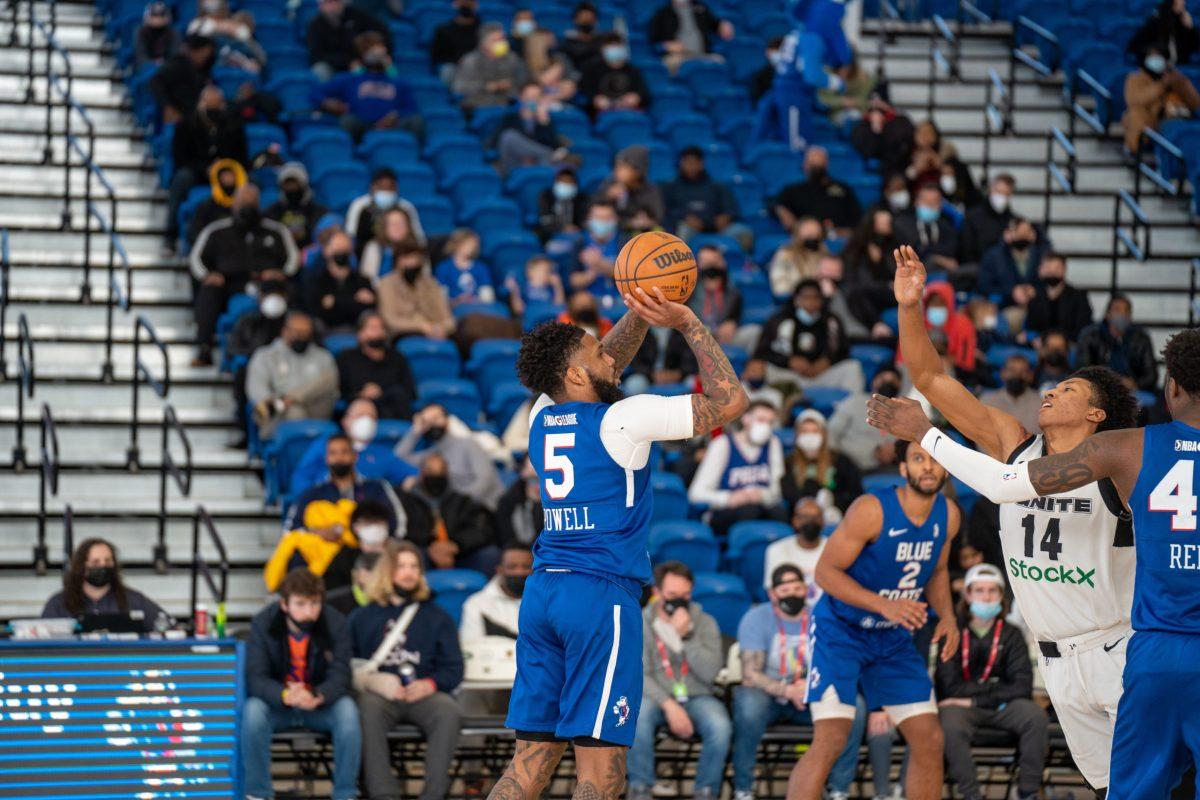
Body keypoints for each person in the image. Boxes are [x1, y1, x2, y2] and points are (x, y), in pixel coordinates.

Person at [868, 326, 1200, 799]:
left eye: (1068, 389)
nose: (1051, 390)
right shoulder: (1015, 446)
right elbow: (928, 376)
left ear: (1096, 413)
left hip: (1119, 646)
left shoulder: (1118, 459)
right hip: (1055, 658)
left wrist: (928, 434)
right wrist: (908, 304)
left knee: (1152, 784)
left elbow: (1001, 484)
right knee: (1110, 786)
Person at [489, 288, 747, 797]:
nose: (612, 354)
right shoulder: (623, 419)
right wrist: (688, 322)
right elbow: (731, 401)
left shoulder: (543, 413)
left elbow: (604, 361)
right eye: (597, 352)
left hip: (543, 594)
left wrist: (641, 314)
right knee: (602, 772)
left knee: (526, 767)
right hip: (599, 598)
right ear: (579, 375)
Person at [789, 437, 959, 800]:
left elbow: (939, 571)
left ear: (947, 467)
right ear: (903, 468)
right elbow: (825, 573)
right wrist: (883, 604)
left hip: (891, 637)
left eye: (935, 460)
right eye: (918, 459)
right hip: (841, 631)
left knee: (930, 738)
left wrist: (948, 617)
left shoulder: (950, 515)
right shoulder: (872, 509)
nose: (927, 467)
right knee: (833, 736)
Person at [733, 564, 866, 800]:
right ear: (773, 593)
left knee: (854, 706)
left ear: (806, 590)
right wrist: (787, 690)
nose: (792, 594)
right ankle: (744, 787)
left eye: (797, 588)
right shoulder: (756, 618)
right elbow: (750, 674)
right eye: (785, 590)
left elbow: (838, 661)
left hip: (812, 692)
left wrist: (810, 688)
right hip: (770, 695)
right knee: (748, 704)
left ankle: (839, 789)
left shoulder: (822, 616)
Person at [350, 539, 464, 800]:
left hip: (423, 695)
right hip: (380, 698)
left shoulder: (437, 616)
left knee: (448, 711)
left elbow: (454, 668)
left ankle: (433, 795)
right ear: (387, 570)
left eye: (414, 566)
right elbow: (346, 666)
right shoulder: (362, 617)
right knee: (367, 708)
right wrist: (373, 682)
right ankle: (383, 794)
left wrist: (430, 685)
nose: (409, 572)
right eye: (401, 566)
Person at [243, 569, 359, 800]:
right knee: (253, 712)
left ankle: (345, 794)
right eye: (301, 604)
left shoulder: (335, 622)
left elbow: (342, 673)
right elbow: (256, 677)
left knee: (348, 712)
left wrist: (319, 694)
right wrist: (284, 695)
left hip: (319, 704)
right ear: (284, 604)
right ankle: (257, 793)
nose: (309, 612)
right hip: (279, 704)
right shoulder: (263, 623)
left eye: (315, 603)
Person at [935, 564, 1048, 800]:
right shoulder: (952, 632)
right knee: (949, 723)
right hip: (963, 709)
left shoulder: (1012, 634)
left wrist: (975, 698)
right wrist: (995, 689)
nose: (986, 597)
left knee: (1034, 716)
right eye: (979, 591)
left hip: (999, 707)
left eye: (992, 591)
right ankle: (972, 795)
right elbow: (948, 686)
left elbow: (1022, 686)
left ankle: (1027, 792)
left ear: (1001, 595)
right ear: (967, 595)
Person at [628, 562, 730, 800]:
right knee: (636, 718)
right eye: (673, 595)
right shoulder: (641, 622)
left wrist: (686, 638)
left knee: (720, 726)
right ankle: (641, 788)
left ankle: (706, 790)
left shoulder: (705, 622)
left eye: (685, 595)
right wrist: (670, 706)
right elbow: (640, 672)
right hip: (654, 695)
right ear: (657, 592)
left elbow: (710, 672)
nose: (679, 601)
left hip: (698, 694)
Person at [190, 184, 298, 366]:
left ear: (259, 203)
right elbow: (196, 259)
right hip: (229, 283)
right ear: (234, 203)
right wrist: (206, 275)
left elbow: (293, 259)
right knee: (209, 291)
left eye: (251, 200)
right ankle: (204, 348)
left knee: (281, 293)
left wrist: (282, 272)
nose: (247, 204)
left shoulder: (276, 230)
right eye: (243, 200)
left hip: (266, 283)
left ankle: (279, 351)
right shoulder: (217, 230)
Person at [688, 399, 786, 537]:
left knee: (779, 513)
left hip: (761, 507)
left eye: (770, 422)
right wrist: (730, 498)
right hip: (726, 511)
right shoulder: (723, 444)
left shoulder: (773, 443)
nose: (766, 426)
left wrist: (761, 495)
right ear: (746, 419)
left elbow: (778, 489)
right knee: (749, 511)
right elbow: (696, 493)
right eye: (761, 420)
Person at [167, 85, 248, 248]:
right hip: (197, 173)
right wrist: (205, 169)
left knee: (252, 183)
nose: (214, 109)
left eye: (217, 105)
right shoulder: (185, 125)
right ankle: (171, 234)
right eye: (210, 105)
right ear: (200, 104)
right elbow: (180, 158)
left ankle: (250, 230)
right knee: (181, 178)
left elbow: (242, 158)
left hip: (228, 172)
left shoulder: (233, 125)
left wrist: (227, 169)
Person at [751, 279, 863, 394]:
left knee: (853, 367)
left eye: (815, 298)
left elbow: (844, 352)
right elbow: (762, 352)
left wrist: (828, 361)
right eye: (806, 297)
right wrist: (788, 361)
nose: (810, 302)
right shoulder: (779, 320)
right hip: (790, 376)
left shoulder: (831, 321)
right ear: (796, 300)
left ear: (821, 300)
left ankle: (850, 407)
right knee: (762, 367)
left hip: (823, 376)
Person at [285, 432, 406, 534]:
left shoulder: (376, 488)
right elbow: (291, 529)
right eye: (333, 453)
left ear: (355, 456)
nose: (339, 458)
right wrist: (319, 533)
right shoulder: (313, 493)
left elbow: (397, 524)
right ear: (326, 459)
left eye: (345, 452)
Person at [399, 452, 500, 573]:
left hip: (459, 552)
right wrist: (432, 547)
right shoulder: (405, 501)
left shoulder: (462, 501)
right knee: (411, 556)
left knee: (490, 555)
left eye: (441, 471)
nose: (436, 476)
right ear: (421, 473)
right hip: (424, 552)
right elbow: (403, 531)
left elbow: (481, 530)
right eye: (431, 471)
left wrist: (456, 545)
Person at [291, 398, 418, 494]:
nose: (366, 421)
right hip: (327, 509)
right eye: (360, 415)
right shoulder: (326, 445)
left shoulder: (383, 454)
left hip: (367, 513)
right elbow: (301, 477)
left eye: (371, 417)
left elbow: (411, 475)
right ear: (345, 421)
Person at [314, 31, 422, 143]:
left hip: (391, 126)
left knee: (416, 121)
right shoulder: (349, 79)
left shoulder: (398, 82)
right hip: (361, 125)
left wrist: (395, 116)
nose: (376, 53)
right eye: (369, 48)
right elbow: (316, 93)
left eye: (378, 47)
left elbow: (412, 108)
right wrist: (328, 103)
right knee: (348, 121)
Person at [41, 538, 170, 632]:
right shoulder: (58, 604)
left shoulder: (134, 601)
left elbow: (165, 625)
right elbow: (40, 638)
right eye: (95, 562)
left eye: (108, 561)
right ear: (82, 566)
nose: (103, 566)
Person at [245, 311, 339, 438]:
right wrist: (279, 403)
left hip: (316, 412)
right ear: (285, 331)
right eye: (298, 333)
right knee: (294, 410)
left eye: (306, 333)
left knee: (329, 378)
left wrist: (290, 398)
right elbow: (257, 389)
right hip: (278, 417)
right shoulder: (265, 356)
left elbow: (330, 384)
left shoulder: (323, 356)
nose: (302, 337)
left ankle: (289, 399)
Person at [396, 403, 504, 510]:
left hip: (483, 508)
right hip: (454, 513)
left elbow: (485, 479)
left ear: (447, 420)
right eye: (427, 421)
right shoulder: (432, 455)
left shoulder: (468, 444)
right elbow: (398, 460)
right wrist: (415, 431)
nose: (432, 423)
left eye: (436, 418)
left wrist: (460, 504)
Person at [335, 311, 417, 419]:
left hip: (393, 409)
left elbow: (409, 391)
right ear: (360, 333)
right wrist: (361, 395)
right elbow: (339, 392)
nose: (378, 332)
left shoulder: (397, 357)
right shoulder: (347, 358)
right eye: (372, 328)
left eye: (381, 328)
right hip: (359, 411)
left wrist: (382, 392)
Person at [783, 408, 863, 515]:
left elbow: (855, 492)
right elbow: (788, 493)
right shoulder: (788, 462)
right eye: (805, 431)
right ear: (797, 434)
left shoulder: (841, 460)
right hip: (801, 516)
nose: (810, 436)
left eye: (815, 431)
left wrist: (833, 501)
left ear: (823, 434)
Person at [661, 145, 745, 245]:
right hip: (689, 228)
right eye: (688, 162)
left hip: (717, 229)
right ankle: (682, 259)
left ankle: (740, 260)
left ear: (701, 164)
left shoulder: (716, 186)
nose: (691, 166)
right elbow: (666, 211)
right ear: (681, 163)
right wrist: (684, 217)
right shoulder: (671, 187)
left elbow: (732, 209)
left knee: (742, 233)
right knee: (682, 230)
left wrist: (726, 216)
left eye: (695, 162)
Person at [1122, 46, 1200, 153]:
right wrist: (1162, 85)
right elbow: (1136, 100)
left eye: (1159, 57)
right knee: (1135, 116)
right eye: (1152, 57)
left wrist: (1182, 84)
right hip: (1149, 118)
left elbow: (1195, 102)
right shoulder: (1135, 79)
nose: (1156, 60)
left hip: (1175, 118)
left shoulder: (1176, 78)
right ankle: (1138, 149)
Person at [827, 364, 903, 471]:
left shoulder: (904, 413)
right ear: (873, 382)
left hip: (892, 470)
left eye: (892, 380)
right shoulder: (854, 401)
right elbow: (831, 433)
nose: (887, 384)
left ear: (899, 385)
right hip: (851, 468)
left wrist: (896, 451)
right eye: (882, 378)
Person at [773, 147, 862, 237]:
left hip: (837, 239)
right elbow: (776, 205)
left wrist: (841, 233)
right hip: (805, 240)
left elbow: (856, 221)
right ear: (804, 165)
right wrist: (786, 216)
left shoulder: (843, 190)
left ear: (826, 164)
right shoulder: (793, 191)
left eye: (819, 166)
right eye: (812, 165)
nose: (816, 169)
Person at [1078, 294, 1159, 392]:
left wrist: (1135, 383)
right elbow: (1082, 372)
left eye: (1126, 311)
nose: (1122, 314)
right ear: (1107, 314)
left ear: (1130, 317)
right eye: (1117, 310)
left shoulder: (1141, 338)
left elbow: (1151, 376)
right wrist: (1112, 383)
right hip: (1100, 390)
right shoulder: (1090, 336)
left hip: (1133, 391)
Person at [376, 243, 456, 340]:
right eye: (407, 258)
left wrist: (441, 328)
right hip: (404, 332)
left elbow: (447, 317)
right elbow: (390, 319)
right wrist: (421, 326)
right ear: (397, 261)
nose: (412, 263)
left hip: (436, 330)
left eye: (415, 258)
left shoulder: (431, 283)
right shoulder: (387, 283)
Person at [489, 81, 569, 174]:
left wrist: (544, 123)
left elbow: (554, 146)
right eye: (529, 96)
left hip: (538, 162)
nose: (532, 100)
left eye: (536, 97)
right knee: (509, 136)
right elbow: (496, 142)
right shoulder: (510, 118)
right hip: (514, 162)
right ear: (521, 97)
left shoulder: (544, 119)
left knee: (548, 155)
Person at [346, 167, 427, 258]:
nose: (386, 191)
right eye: (381, 187)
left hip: (401, 253)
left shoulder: (406, 208)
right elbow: (350, 237)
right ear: (372, 187)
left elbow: (419, 239)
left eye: (390, 187)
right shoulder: (359, 206)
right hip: (367, 254)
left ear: (397, 188)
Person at [304, 230, 376, 331]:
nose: (342, 251)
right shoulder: (315, 280)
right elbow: (317, 312)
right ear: (326, 251)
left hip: (358, 331)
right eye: (338, 247)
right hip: (326, 332)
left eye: (345, 248)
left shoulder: (362, 280)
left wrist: (335, 302)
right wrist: (354, 300)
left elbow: (368, 309)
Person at [461, 544, 532, 642]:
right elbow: (472, 649)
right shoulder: (476, 604)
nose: (519, 572)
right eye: (512, 567)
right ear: (499, 570)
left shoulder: (550, 602)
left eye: (526, 567)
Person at [977, 216, 1046, 314]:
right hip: (1004, 308)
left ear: (1033, 235)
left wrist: (1035, 291)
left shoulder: (1041, 256)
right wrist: (1011, 292)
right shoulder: (993, 256)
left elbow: (1049, 284)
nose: (1023, 236)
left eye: (1026, 232)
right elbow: (984, 286)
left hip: (1036, 309)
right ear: (1008, 233)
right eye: (1019, 232)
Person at [306, 0, 389, 81]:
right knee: (320, 69)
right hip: (333, 65)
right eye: (327, 2)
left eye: (335, 2)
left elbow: (382, 31)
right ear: (320, 6)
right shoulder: (315, 26)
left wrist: (382, 52)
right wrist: (348, 62)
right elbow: (316, 55)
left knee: (381, 59)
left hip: (360, 62)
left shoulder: (358, 16)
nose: (331, 7)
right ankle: (328, 93)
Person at [453, 23, 529, 111]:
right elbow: (459, 87)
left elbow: (523, 79)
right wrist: (489, 86)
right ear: (484, 43)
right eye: (496, 40)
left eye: (502, 39)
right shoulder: (471, 60)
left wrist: (510, 85)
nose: (501, 42)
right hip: (478, 106)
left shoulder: (512, 58)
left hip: (506, 105)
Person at [1023, 252, 1094, 342]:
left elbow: (1084, 328)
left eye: (1056, 268)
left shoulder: (1079, 297)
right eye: (1048, 268)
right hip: (1040, 345)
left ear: (1064, 269)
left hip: (1070, 344)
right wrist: (1035, 339)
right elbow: (1030, 328)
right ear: (1041, 270)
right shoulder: (1035, 297)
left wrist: (1058, 340)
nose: (1052, 272)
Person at [763, 498, 828, 596]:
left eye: (816, 517)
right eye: (805, 517)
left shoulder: (834, 548)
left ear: (823, 522)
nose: (810, 522)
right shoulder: (776, 550)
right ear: (795, 521)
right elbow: (774, 592)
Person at [648, 0, 734, 73]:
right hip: (678, 57)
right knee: (676, 63)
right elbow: (654, 41)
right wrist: (667, 46)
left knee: (719, 61)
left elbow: (715, 25)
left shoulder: (700, 8)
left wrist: (722, 25)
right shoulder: (663, 13)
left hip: (702, 55)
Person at [150, 33, 215, 126]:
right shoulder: (179, 64)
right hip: (179, 113)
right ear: (195, 51)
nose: (206, 56)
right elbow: (156, 81)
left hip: (194, 116)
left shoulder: (204, 69)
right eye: (204, 52)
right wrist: (168, 107)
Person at [578, 34, 652, 116]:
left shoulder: (633, 70)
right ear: (603, 49)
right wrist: (595, 99)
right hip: (601, 115)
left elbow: (644, 94)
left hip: (629, 112)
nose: (615, 49)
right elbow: (585, 92)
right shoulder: (591, 69)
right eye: (611, 46)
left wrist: (636, 97)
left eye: (618, 46)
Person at [596, 144, 665, 232]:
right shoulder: (610, 184)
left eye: (624, 167)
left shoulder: (651, 190)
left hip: (641, 234)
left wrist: (645, 221)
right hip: (613, 234)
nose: (618, 171)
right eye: (617, 166)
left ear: (638, 171)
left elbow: (657, 218)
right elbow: (591, 210)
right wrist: (608, 196)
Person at [894, 182, 959, 274]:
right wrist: (937, 258)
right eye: (926, 201)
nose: (930, 206)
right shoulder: (903, 224)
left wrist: (928, 250)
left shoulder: (946, 224)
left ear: (940, 205)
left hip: (944, 273)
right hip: (913, 272)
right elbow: (914, 250)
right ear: (916, 202)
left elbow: (951, 249)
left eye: (934, 202)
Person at [685, 245, 742, 345]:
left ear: (723, 264)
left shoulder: (732, 292)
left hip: (722, 336)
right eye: (706, 263)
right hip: (693, 334)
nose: (711, 270)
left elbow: (734, 316)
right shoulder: (689, 290)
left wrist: (732, 322)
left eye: (714, 263)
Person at [849, 96, 915, 180]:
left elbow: (904, 145)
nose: (877, 105)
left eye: (880, 102)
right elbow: (868, 151)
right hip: (880, 166)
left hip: (898, 165)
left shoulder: (901, 122)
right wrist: (876, 130)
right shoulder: (860, 126)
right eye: (873, 102)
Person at [265, 162, 328, 249]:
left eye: (295, 183)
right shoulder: (273, 211)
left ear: (303, 184)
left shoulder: (318, 210)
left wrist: (305, 233)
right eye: (288, 184)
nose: (291, 188)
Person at [960, 174, 1016, 265]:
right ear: (990, 190)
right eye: (998, 191)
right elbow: (966, 249)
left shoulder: (1012, 220)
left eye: (1006, 194)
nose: (1001, 197)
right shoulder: (972, 216)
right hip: (976, 269)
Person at [979, 353, 1042, 434]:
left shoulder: (1041, 404)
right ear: (1003, 373)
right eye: (1012, 370)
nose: (1017, 375)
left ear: (1030, 376)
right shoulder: (987, 402)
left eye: (1022, 371)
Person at [768, 216, 830, 297]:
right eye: (808, 230)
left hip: (821, 298)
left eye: (815, 230)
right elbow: (779, 286)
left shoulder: (824, 253)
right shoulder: (786, 254)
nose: (812, 233)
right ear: (798, 232)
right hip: (795, 298)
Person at [569, 201, 621, 298]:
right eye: (598, 217)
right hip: (590, 301)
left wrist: (598, 263)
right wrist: (591, 273)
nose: (603, 222)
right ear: (589, 219)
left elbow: (628, 276)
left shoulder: (623, 241)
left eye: (607, 218)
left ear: (615, 219)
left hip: (620, 300)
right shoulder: (580, 242)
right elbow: (574, 281)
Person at [359, 206, 423, 284]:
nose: (397, 227)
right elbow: (368, 278)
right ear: (384, 227)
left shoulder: (417, 247)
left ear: (408, 226)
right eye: (392, 224)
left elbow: (425, 278)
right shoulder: (374, 247)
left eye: (401, 223)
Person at [434, 228, 495, 305]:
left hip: (477, 307)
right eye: (468, 244)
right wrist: (456, 301)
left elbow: (487, 296)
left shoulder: (481, 268)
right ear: (457, 244)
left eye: (474, 245)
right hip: (454, 308)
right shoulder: (444, 268)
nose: (472, 248)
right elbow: (441, 296)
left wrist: (475, 300)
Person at [1128, 0, 1199, 64]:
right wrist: (1151, 51)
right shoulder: (1155, 21)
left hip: (1180, 65)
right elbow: (1136, 46)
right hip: (1158, 66)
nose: (1183, 2)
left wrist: (1190, 28)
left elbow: (1194, 47)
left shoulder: (1183, 21)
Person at [496, 460, 543, 548]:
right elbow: (504, 535)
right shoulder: (509, 499)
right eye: (533, 480)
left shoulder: (558, 500)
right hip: (515, 548)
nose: (537, 486)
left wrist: (538, 505)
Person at [432, 0, 481, 82]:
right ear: (455, 4)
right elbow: (437, 56)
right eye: (463, 2)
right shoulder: (444, 30)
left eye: (469, 3)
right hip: (453, 67)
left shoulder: (481, 30)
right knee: (448, 70)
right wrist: (457, 60)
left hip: (476, 66)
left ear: (476, 5)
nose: (466, 5)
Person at [536, 166, 588, 241]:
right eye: (562, 181)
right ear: (555, 183)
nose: (566, 184)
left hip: (575, 235)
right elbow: (545, 220)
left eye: (569, 182)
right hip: (550, 235)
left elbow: (584, 220)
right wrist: (562, 228)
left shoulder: (582, 199)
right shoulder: (546, 196)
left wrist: (575, 229)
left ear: (575, 185)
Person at [134, 2, 179, 69]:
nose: (157, 20)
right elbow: (141, 55)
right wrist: (152, 64)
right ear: (148, 17)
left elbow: (174, 55)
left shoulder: (173, 33)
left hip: (167, 69)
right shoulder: (141, 32)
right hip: (147, 69)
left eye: (161, 16)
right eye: (155, 16)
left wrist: (163, 64)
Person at [559, 1, 604, 69]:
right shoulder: (566, 44)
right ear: (575, 20)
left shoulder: (603, 42)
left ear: (596, 21)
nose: (586, 22)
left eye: (590, 19)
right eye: (583, 19)